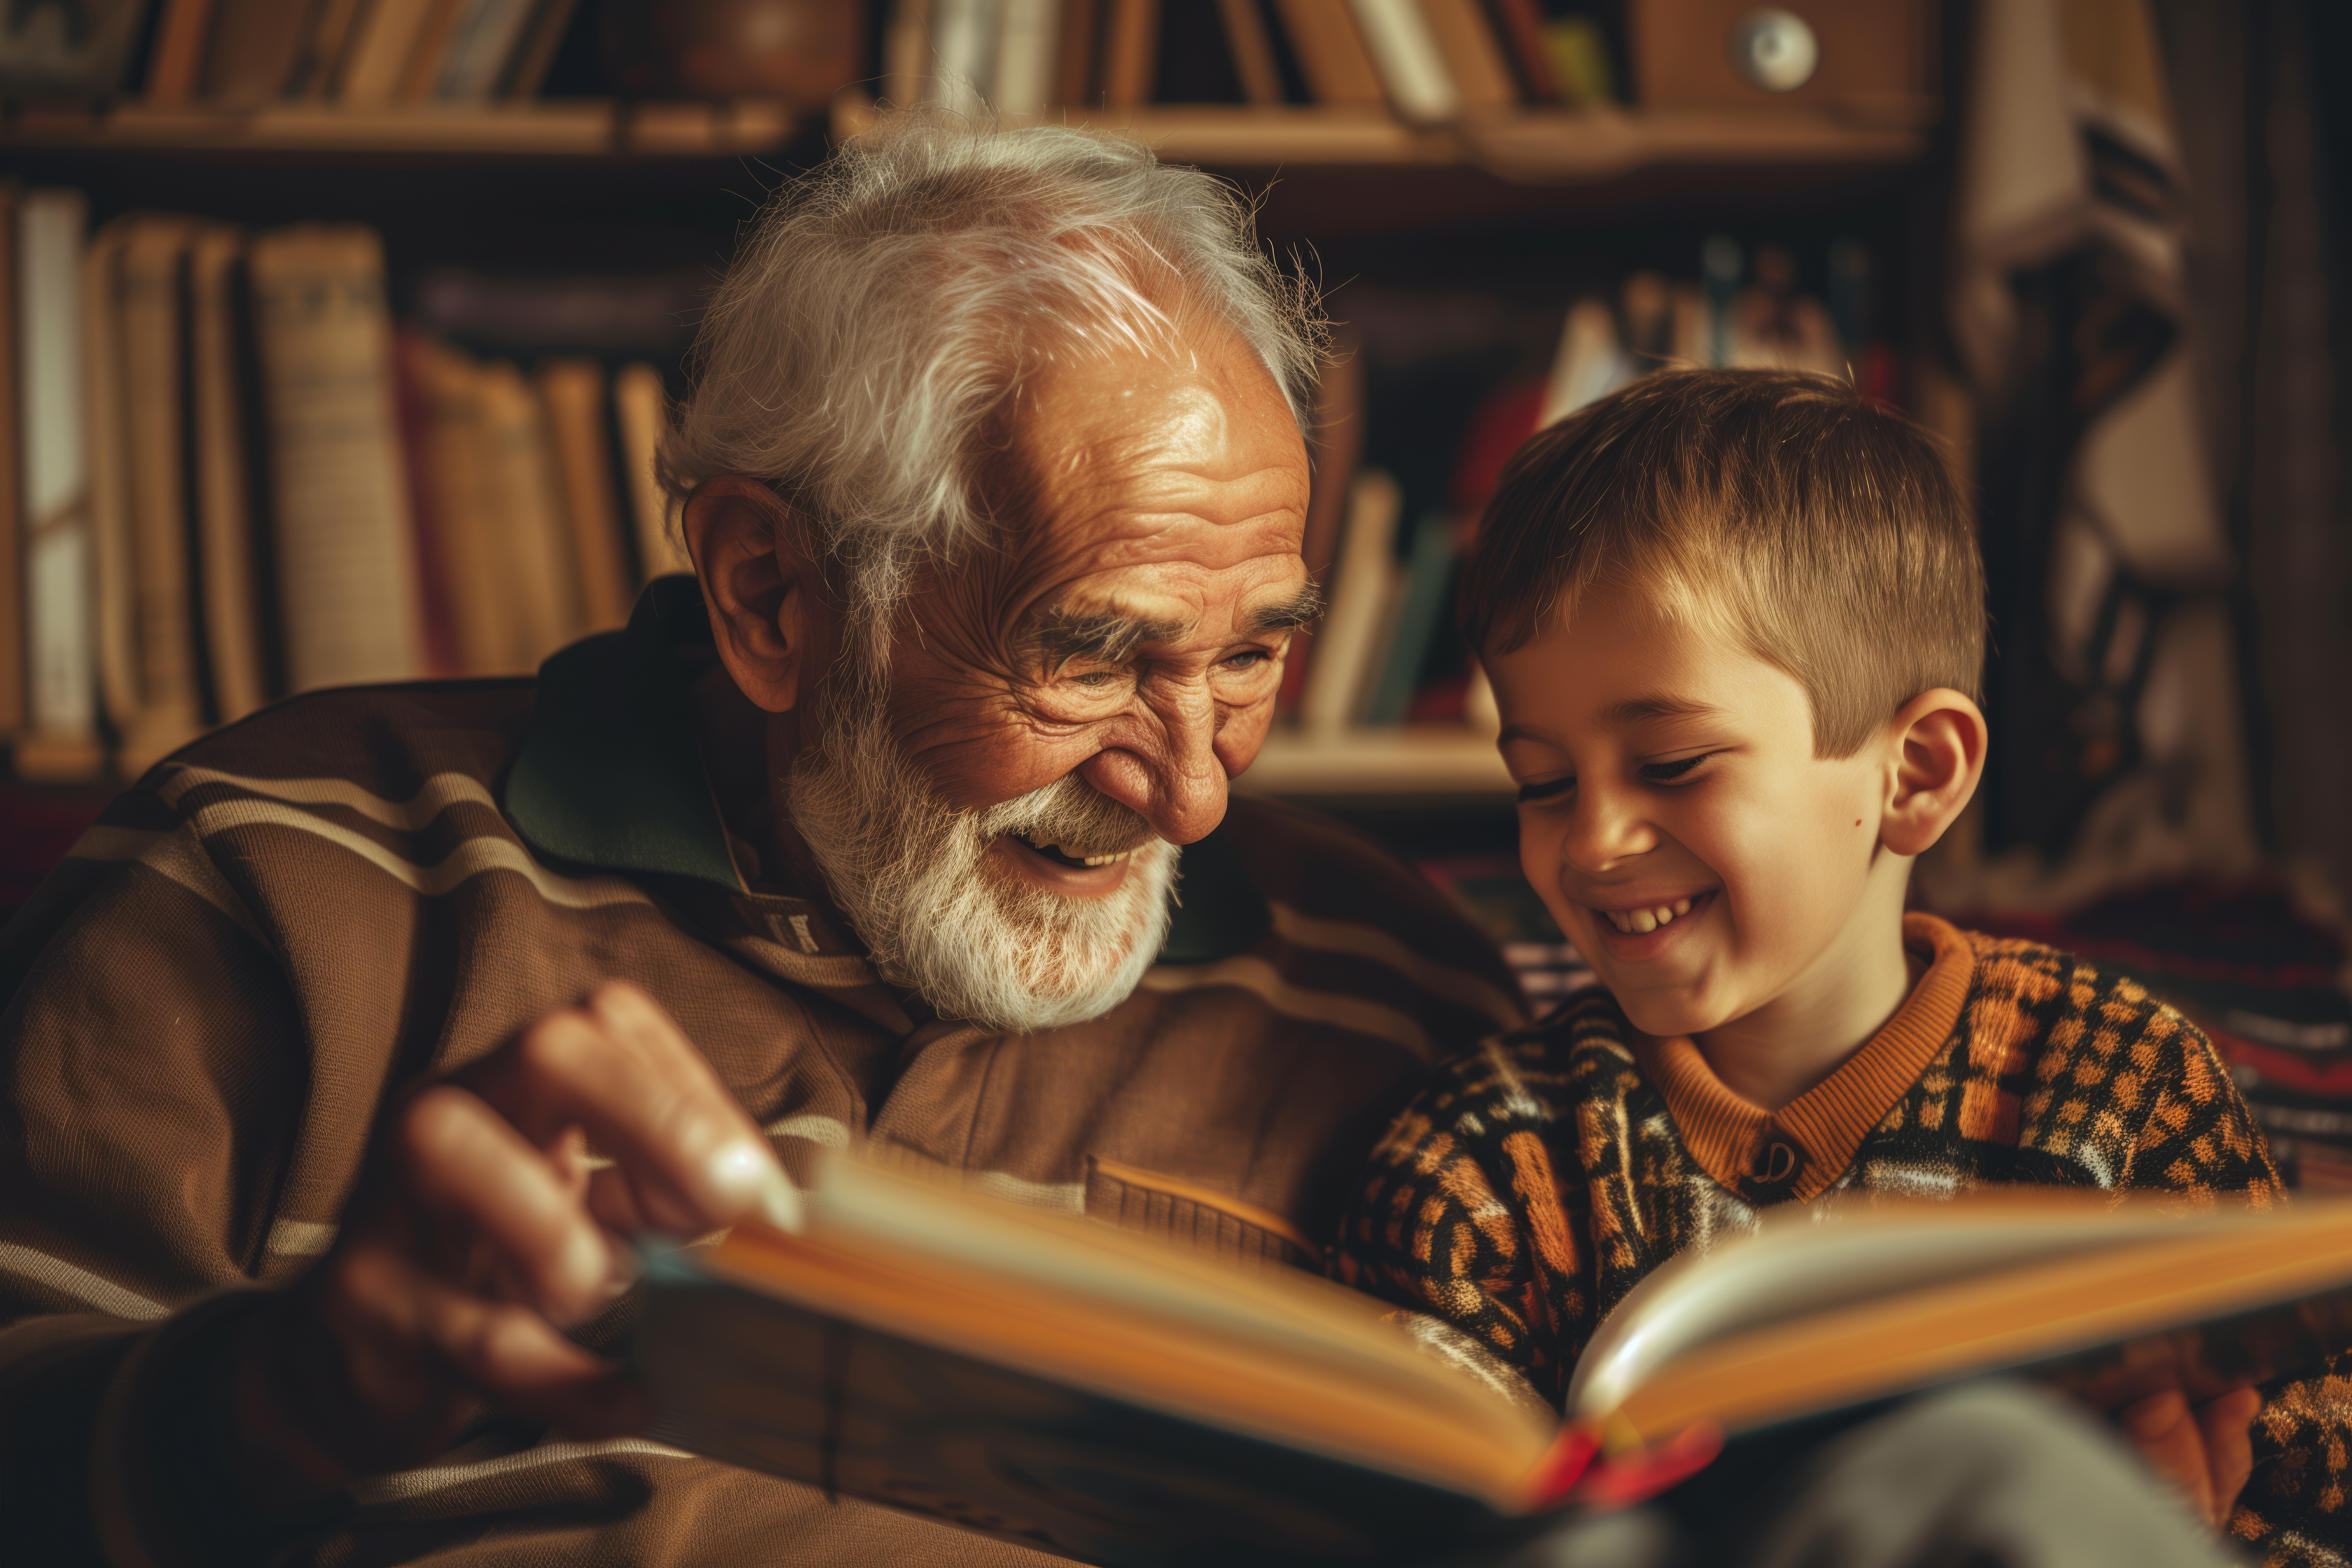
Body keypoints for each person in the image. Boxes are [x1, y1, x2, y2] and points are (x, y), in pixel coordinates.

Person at [0, 116, 1520, 1565]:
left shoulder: (1397, 991)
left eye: (1252, 656)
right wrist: (283, 1394)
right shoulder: (269, 876)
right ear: (770, 596)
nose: (1194, 796)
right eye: (1090, 655)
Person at [1331, 367, 2345, 1564]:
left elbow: (2304, 1499)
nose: (1592, 840)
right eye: (1542, 782)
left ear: (1913, 774)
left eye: (1672, 764)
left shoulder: (2127, 1087)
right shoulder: (1483, 1159)